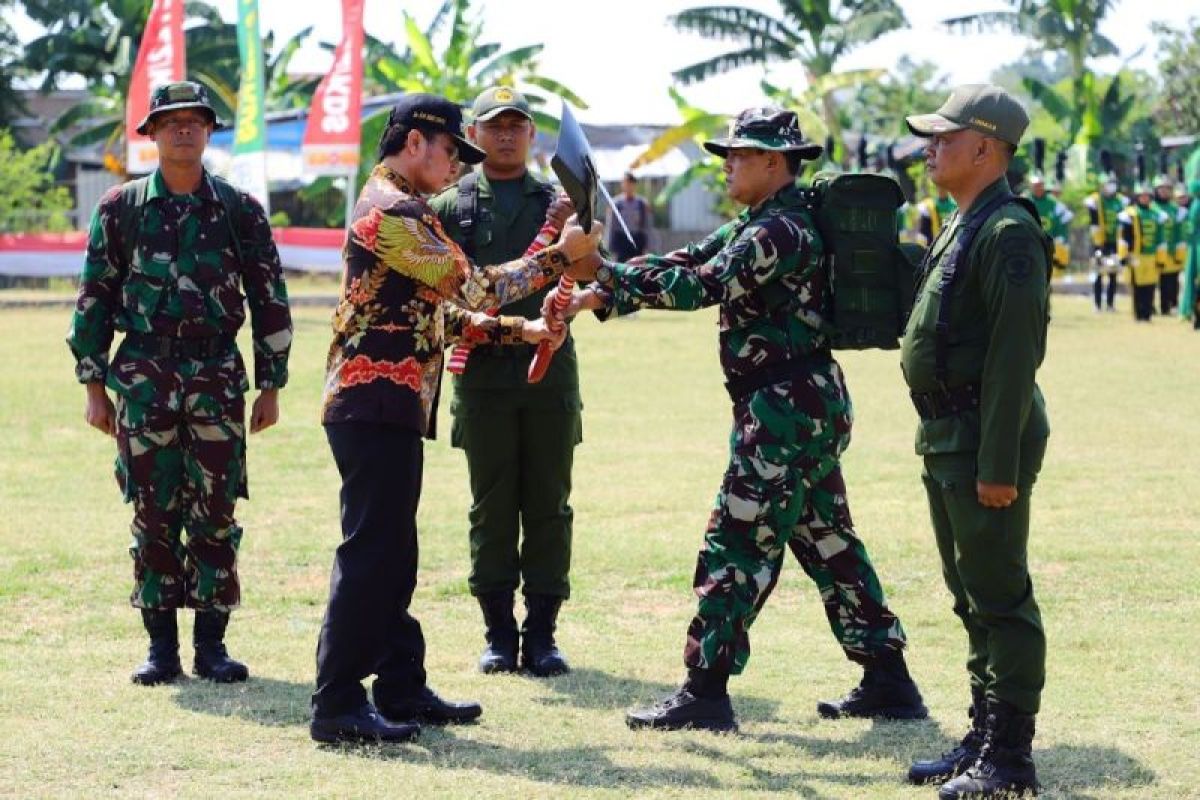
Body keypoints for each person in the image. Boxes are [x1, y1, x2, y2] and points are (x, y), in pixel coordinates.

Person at [554, 107, 925, 733]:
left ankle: (705, 690)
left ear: (775, 163)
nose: (728, 163)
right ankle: (888, 678)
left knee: (737, 538)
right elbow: (686, 260)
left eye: (741, 154)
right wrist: (603, 289)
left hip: (785, 409)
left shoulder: (780, 233)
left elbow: (705, 284)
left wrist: (605, 273)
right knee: (826, 541)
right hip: (798, 405)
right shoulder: (761, 224)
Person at [310, 93, 601, 744]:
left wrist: (519, 332)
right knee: (372, 554)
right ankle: (336, 703)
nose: (457, 166)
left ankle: (400, 686)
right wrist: (561, 253)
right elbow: (474, 284)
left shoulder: (397, 206)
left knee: (392, 553)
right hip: (372, 401)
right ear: (415, 142)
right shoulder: (392, 212)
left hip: (387, 401)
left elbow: (441, 315)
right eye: (452, 150)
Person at [66, 81, 293, 687]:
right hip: (144, 378)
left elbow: (269, 297)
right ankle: (161, 648)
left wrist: (271, 384)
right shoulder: (122, 207)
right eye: (171, 121)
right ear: (153, 134)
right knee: (153, 512)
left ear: (209, 131)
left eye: (195, 121)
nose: (184, 130)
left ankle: (212, 646)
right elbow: (95, 295)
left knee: (215, 510)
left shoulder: (240, 210)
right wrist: (93, 383)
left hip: (217, 376)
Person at [901, 84, 1051, 799]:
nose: (931, 147)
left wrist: (998, 465)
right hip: (947, 435)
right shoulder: (964, 221)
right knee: (969, 595)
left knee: (999, 595)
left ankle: (1011, 759)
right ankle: (984, 734)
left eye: (945, 136)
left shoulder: (1007, 232)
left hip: (982, 440)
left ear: (985, 148)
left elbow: (1015, 358)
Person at [429, 86, 580, 677]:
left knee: (549, 505)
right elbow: (440, 296)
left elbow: (596, 271)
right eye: (495, 125)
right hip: (483, 377)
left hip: (550, 375)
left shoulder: (562, 201)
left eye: (518, 124)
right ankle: (498, 633)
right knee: (491, 507)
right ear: (475, 133)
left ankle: (542, 634)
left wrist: (576, 239)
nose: (508, 134)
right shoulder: (450, 206)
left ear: (533, 134)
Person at [1118, 183, 1169, 322]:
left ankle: (1147, 313)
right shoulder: (1129, 214)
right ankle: (1138, 314)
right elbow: (1124, 238)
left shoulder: (1157, 215)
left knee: (1150, 285)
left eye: (1147, 196)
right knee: (1137, 285)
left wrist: (1161, 258)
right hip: (1135, 256)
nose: (1145, 199)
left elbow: (1161, 239)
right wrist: (1123, 255)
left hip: (1151, 256)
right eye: (1142, 196)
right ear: (1138, 197)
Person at [1083, 170, 1127, 312]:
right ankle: (1097, 304)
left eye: (1113, 184)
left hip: (1115, 243)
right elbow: (1089, 207)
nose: (1111, 187)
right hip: (1099, 243)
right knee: (1098, 273)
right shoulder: (1095, 200)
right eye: (1108, 184)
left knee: (1113, 273)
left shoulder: (1121, 201)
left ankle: (1110, 304)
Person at [1151, 173, 1186, 315]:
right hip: (1153, 252)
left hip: (1171, 252)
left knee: (1171, 281)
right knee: (1151, 281)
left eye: (1167, 189)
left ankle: (1169, 306)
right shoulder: (1151, 207)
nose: (1164, 192)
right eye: (1161, 189)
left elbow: (1180, 231)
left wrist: (1179, 251)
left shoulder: (1175, 209)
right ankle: (1149, 306)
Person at [1026, 174, 1073, 271]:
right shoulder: (1026, 201)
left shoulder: (1053, 202)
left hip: (1051, 244)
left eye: (1040, 185)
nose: (1038, 188)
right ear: (1031, 187)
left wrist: (1061, 237)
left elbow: (1065, 219)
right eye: (1035, 185)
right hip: (1032, 244)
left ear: (1044, 186)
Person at [607, 171, 653, 261]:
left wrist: (649, 245)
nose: (628, 186)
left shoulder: (642, 203)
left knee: (638, 268)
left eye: (630, 183)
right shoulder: (616, 203)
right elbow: (610, 226)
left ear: (634, 185)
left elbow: (648, 226)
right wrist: (609, 246)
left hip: (637, 240)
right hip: (621, 240)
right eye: (625, 183)